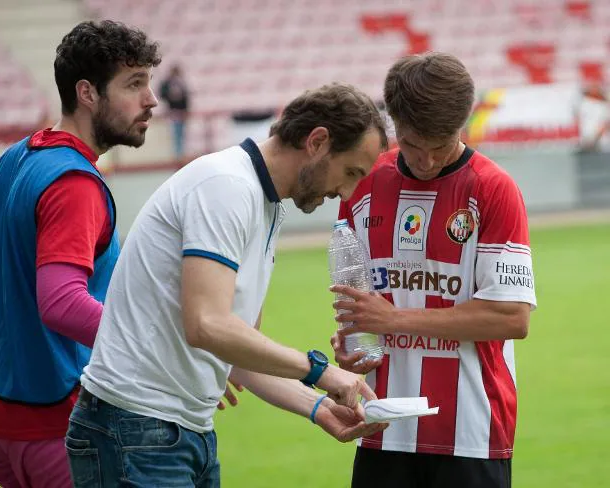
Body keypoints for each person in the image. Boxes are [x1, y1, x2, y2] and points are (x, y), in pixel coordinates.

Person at [66, 82, 390, 487]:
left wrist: (318, 406)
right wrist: (320, 372)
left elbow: (238, 351)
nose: (347, 190)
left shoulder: (264, 204)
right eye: (351, 172)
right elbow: (207, 324)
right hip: (136, 430)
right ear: (318, 142)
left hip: (180, 433)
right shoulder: (225, 186)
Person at [330, 52, 537, 488]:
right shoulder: (363, 182)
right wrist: (354, 346)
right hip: (382, 429)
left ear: (463, 125)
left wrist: (393, 319)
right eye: (409, 144)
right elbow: (358, 300)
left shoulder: (493, 189)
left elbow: (512, 317)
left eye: (439, 146)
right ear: (393, 126)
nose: (424, 161)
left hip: (472, 432)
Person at [0, 20, 161, 488]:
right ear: (87, 92)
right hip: (61, 429)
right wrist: (167, 346)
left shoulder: (13, 158)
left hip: (4, 427)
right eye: (134, 84)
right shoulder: (74, 183)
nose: (151, 100)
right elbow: (61, 303)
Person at [160, 64, 190, 159]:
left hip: (180, 112)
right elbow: (162, 93)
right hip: (172, 112)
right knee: (175, 134)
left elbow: (186, 98)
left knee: (181, 134)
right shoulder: (168, 83)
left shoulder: (181, 83)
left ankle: (180, 155)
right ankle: (177, 155)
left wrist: (186, 111)